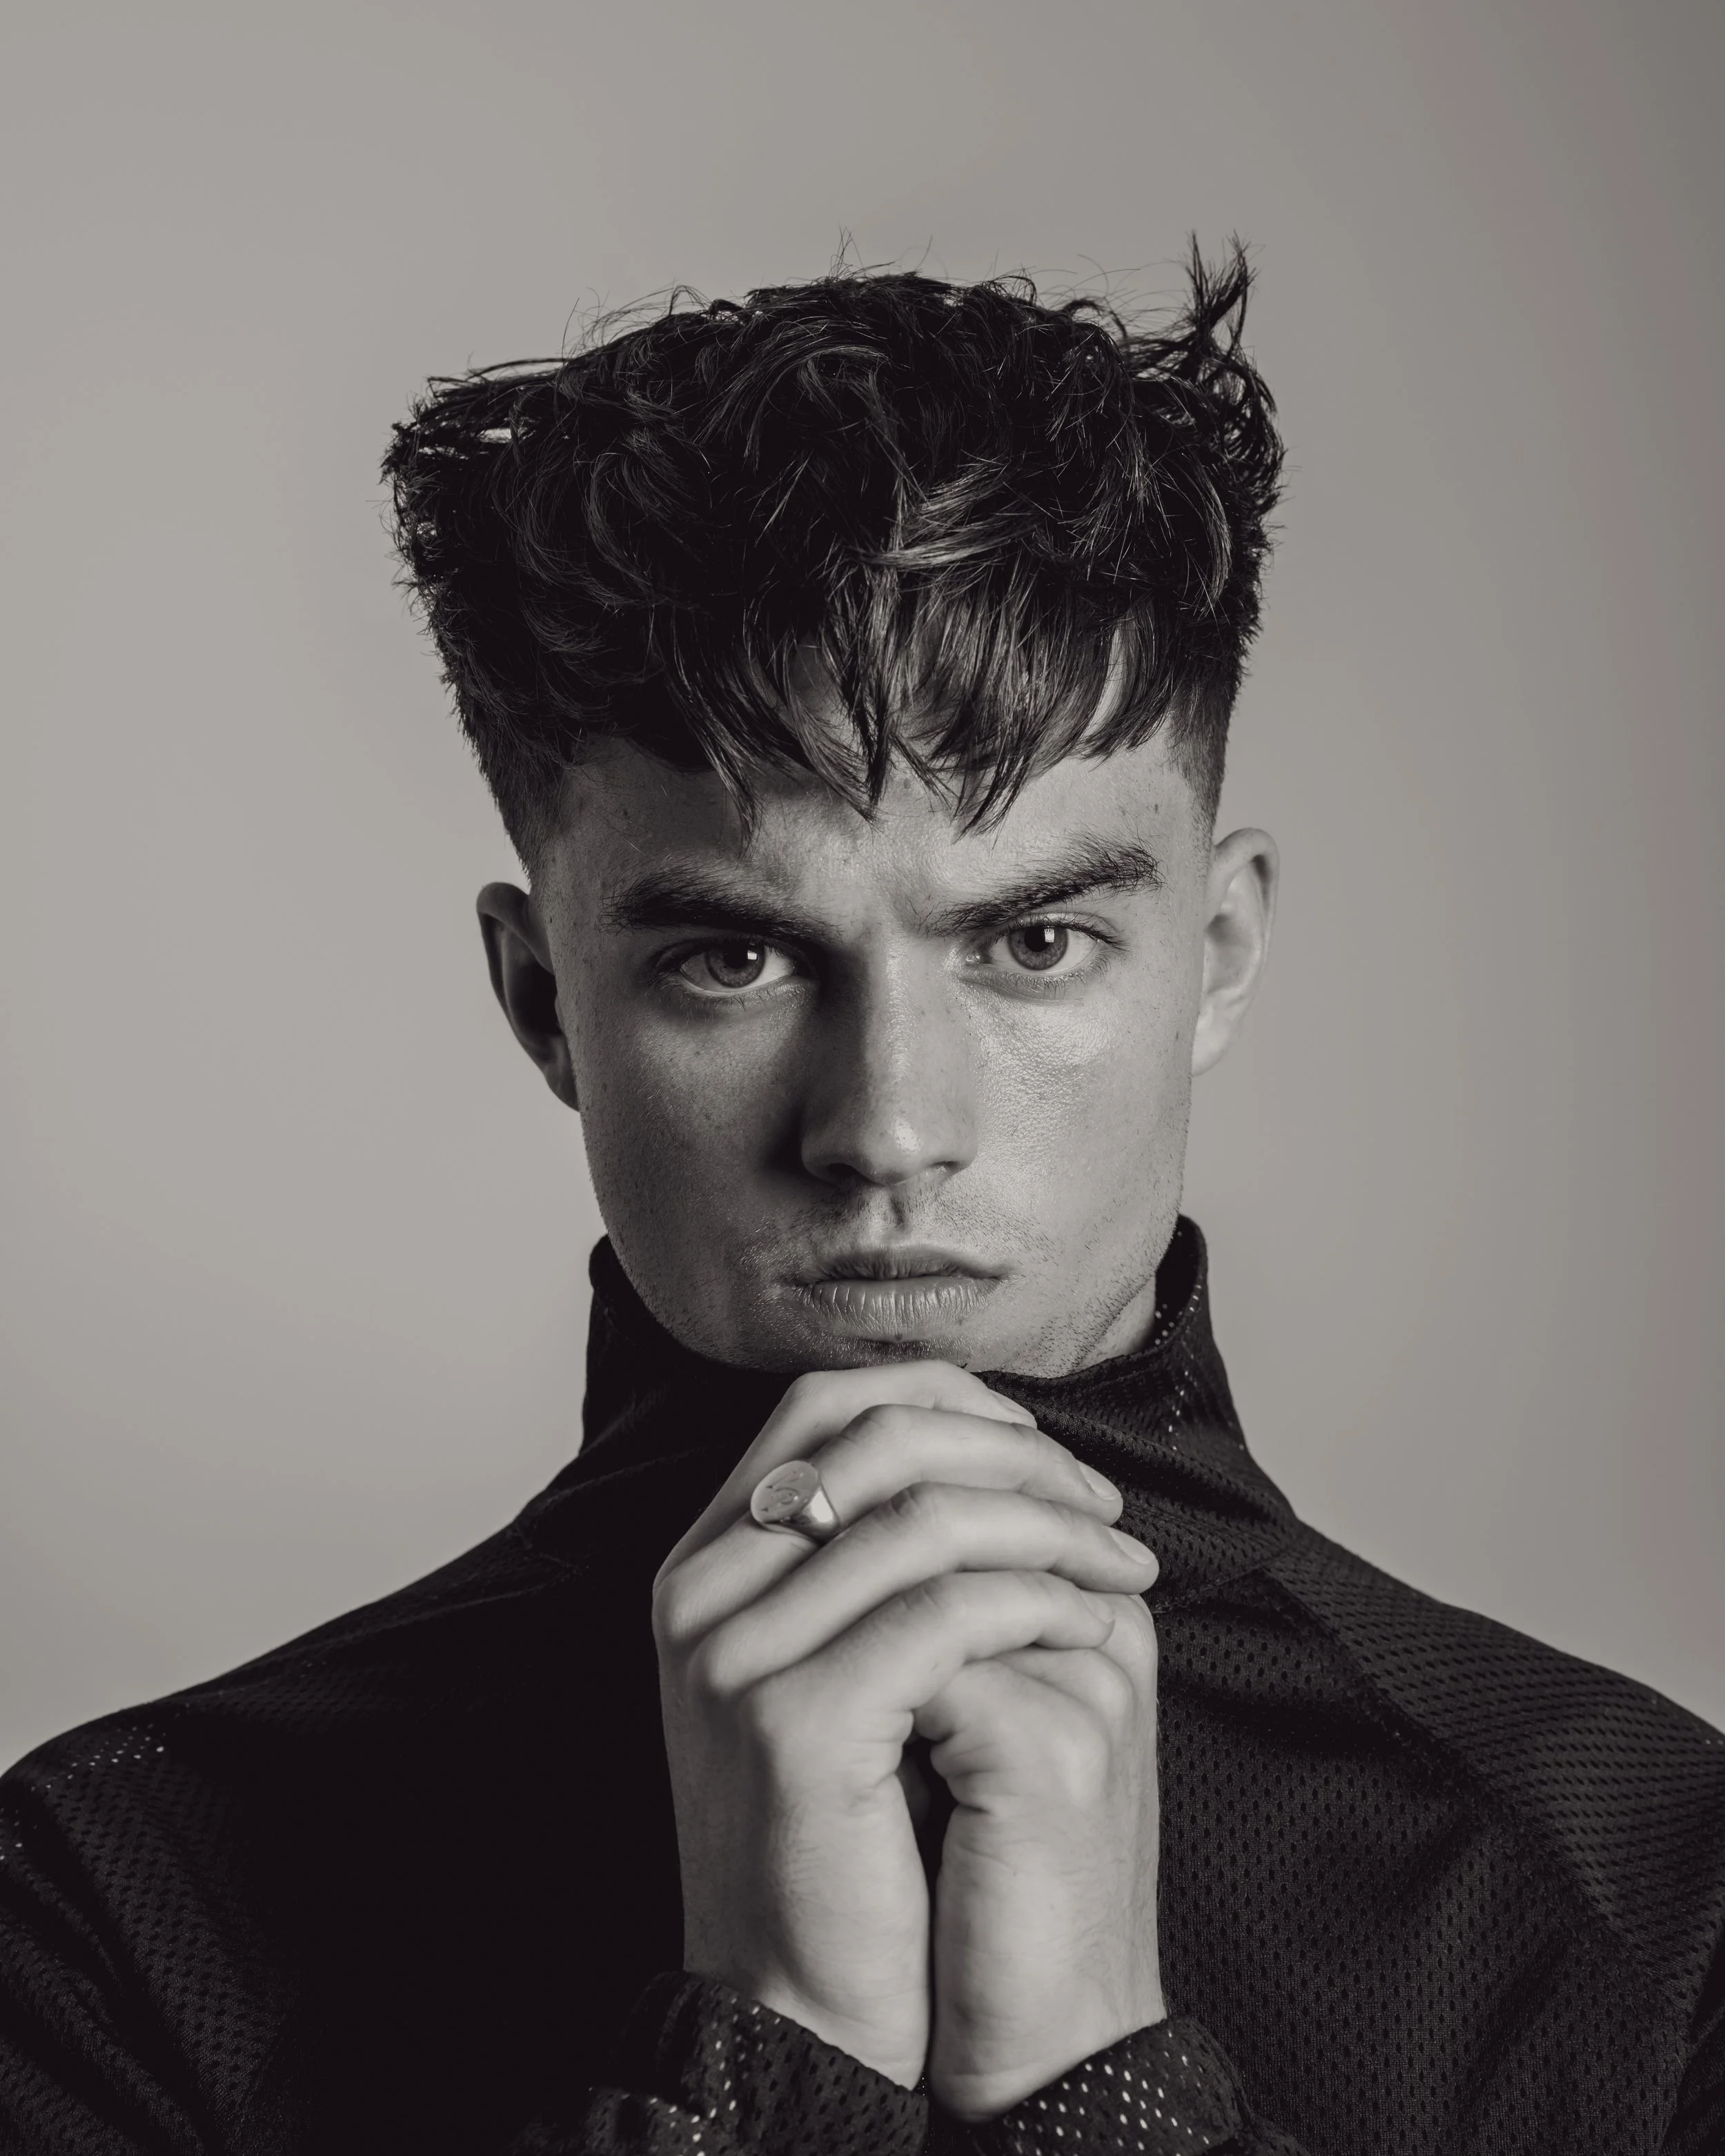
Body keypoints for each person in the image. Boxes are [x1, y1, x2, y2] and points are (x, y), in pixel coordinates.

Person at [1, 251, 1720, 2156]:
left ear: (1212, 952)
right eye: (731, 960)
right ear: (538, 1000)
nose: (889, 1124)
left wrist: (1102, 2099)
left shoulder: (1662, 1902)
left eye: (1034, 939)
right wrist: (770, 2064)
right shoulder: (106, 1912)